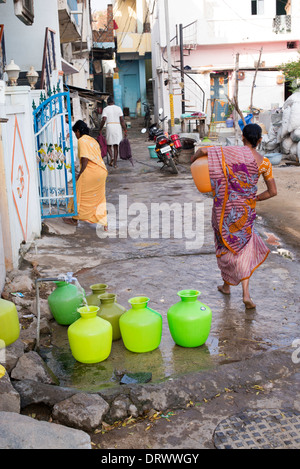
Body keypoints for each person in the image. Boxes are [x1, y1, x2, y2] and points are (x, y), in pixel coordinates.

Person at [191, 123, 277, 309]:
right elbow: (272, 192)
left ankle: (229, 287)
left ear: (243, 138)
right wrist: (254, 198)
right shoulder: (265, 163)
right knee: (244, 249)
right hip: (245, 212)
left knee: (225, 247)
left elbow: (204, 150)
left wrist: (194, 158)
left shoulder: (228, 152)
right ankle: (240, 292)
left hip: (224, 210)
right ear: (260, 141)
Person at [63, 120, 108, 230]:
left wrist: (80, 174)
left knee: (79, 194)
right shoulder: (92, 140)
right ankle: (104, 223)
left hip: (90, 171)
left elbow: (85, 160)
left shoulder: (82, 140)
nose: (76, 136)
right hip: (101, 170)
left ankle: (74, 219)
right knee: (99, 198)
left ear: (78, 131)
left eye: (75, 133)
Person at [98, 96, 127, 168]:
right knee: (116, 146)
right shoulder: (118, 108)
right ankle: (115, 164)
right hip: (117, 126)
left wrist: (100, 129)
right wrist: (125, 130)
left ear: (107, 102)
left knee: (108, 145)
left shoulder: (105, 109)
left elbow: (104, 119)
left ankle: (111, 157)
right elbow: (122, 120)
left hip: (109, 126)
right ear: (113, 102)